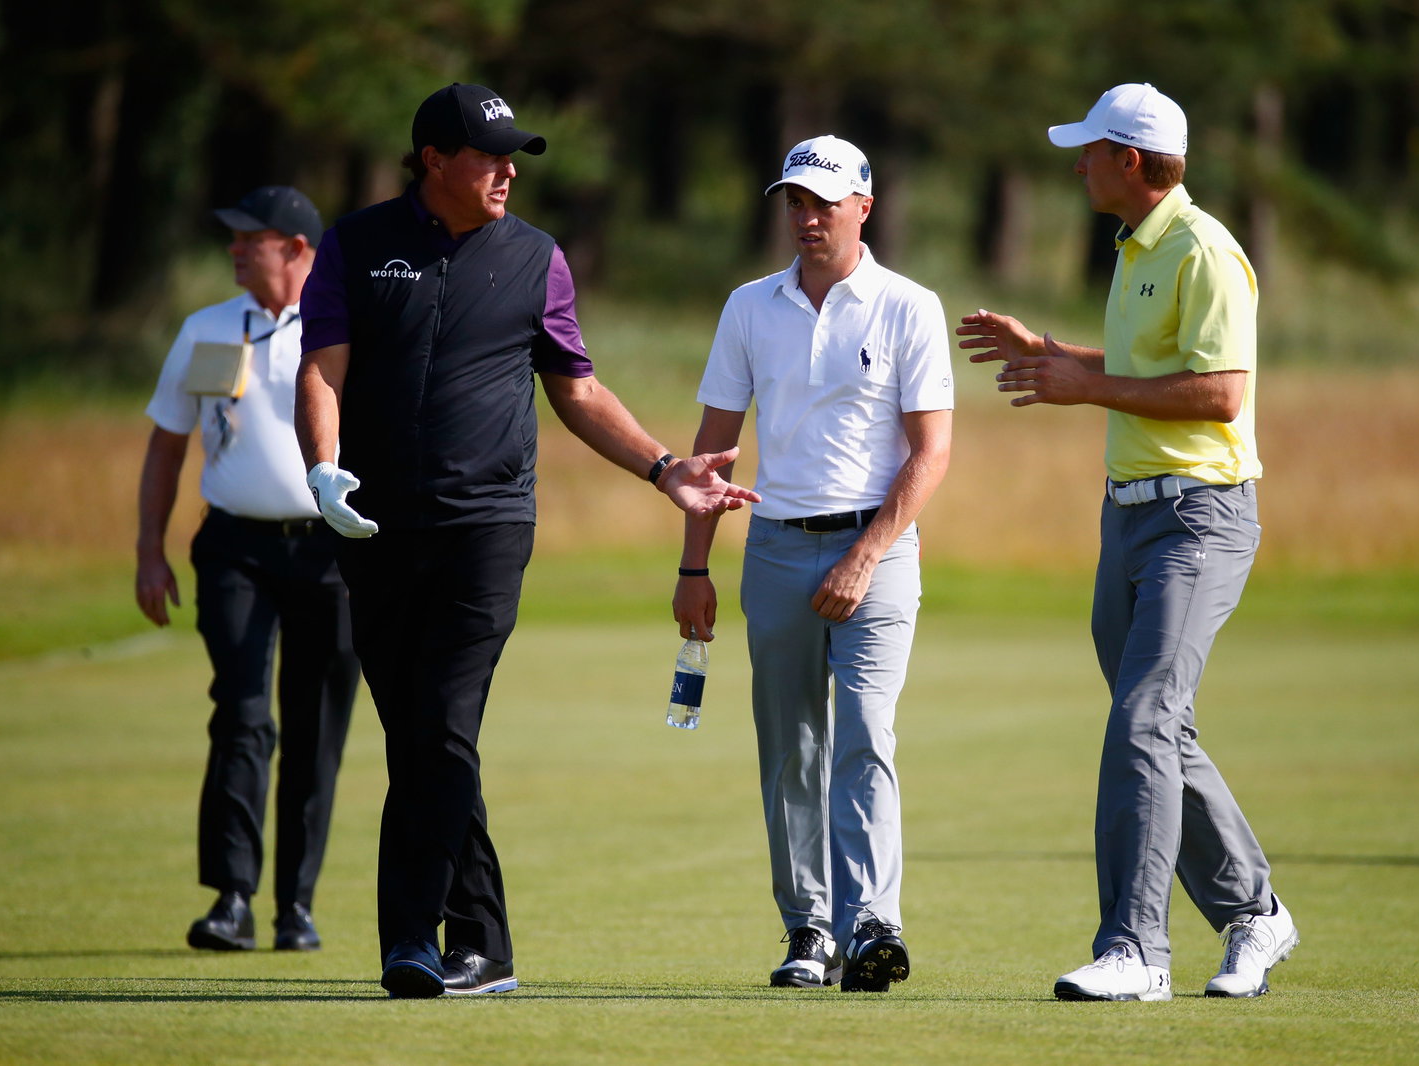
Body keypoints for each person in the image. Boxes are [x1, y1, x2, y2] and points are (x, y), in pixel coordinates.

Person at [294, 83, 761, 999]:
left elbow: (577, 390)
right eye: (490, 155)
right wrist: (321, 467)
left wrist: (667, 469)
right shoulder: (357, 243)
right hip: (373, 522)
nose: (510, 170)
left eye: (516, 156)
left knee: (443, 718)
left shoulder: (538, 257)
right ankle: (486, 943)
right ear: (433, 160)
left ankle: (411, 944)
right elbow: (321, 368)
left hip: (487, 526)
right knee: (419, 734)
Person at [958, 83, 1297, 1002]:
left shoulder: (1205, 250)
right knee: (1159, 726)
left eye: (1091, 151)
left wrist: (1084, 390)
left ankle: (1136, 951)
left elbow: (1221, 392)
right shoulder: (1136, 249)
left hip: (1200, 516)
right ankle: (1255, 915)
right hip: (1130, 519)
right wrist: (1060, 356)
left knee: (1143, 720)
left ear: (1133, 162)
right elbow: (1155, 365)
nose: (1078, 165)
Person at [673, 135, 953, 993]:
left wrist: (865, 557)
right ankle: (809, 929)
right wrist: (694, 570)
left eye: (823, 202)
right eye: (794, 201)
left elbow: (931, 452)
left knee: (865, 733)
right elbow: (712, 451)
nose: (806, 217)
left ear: (864, 207)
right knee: (791, 746)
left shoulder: (909, 305)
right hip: (777, 548)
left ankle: (873, 924)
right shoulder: (749, 307)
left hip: (879, 550)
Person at [136, 185, 359, 953]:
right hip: (234, 548)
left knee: (314, 729)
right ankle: (231, 896)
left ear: (297, 248)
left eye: (250, 238)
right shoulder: (208, 329)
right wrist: (148, 550)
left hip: (331, 552)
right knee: (241, 714)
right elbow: (168, 445)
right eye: (231, 238)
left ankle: (294, 906)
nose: (233, 249)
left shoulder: (343, 324)